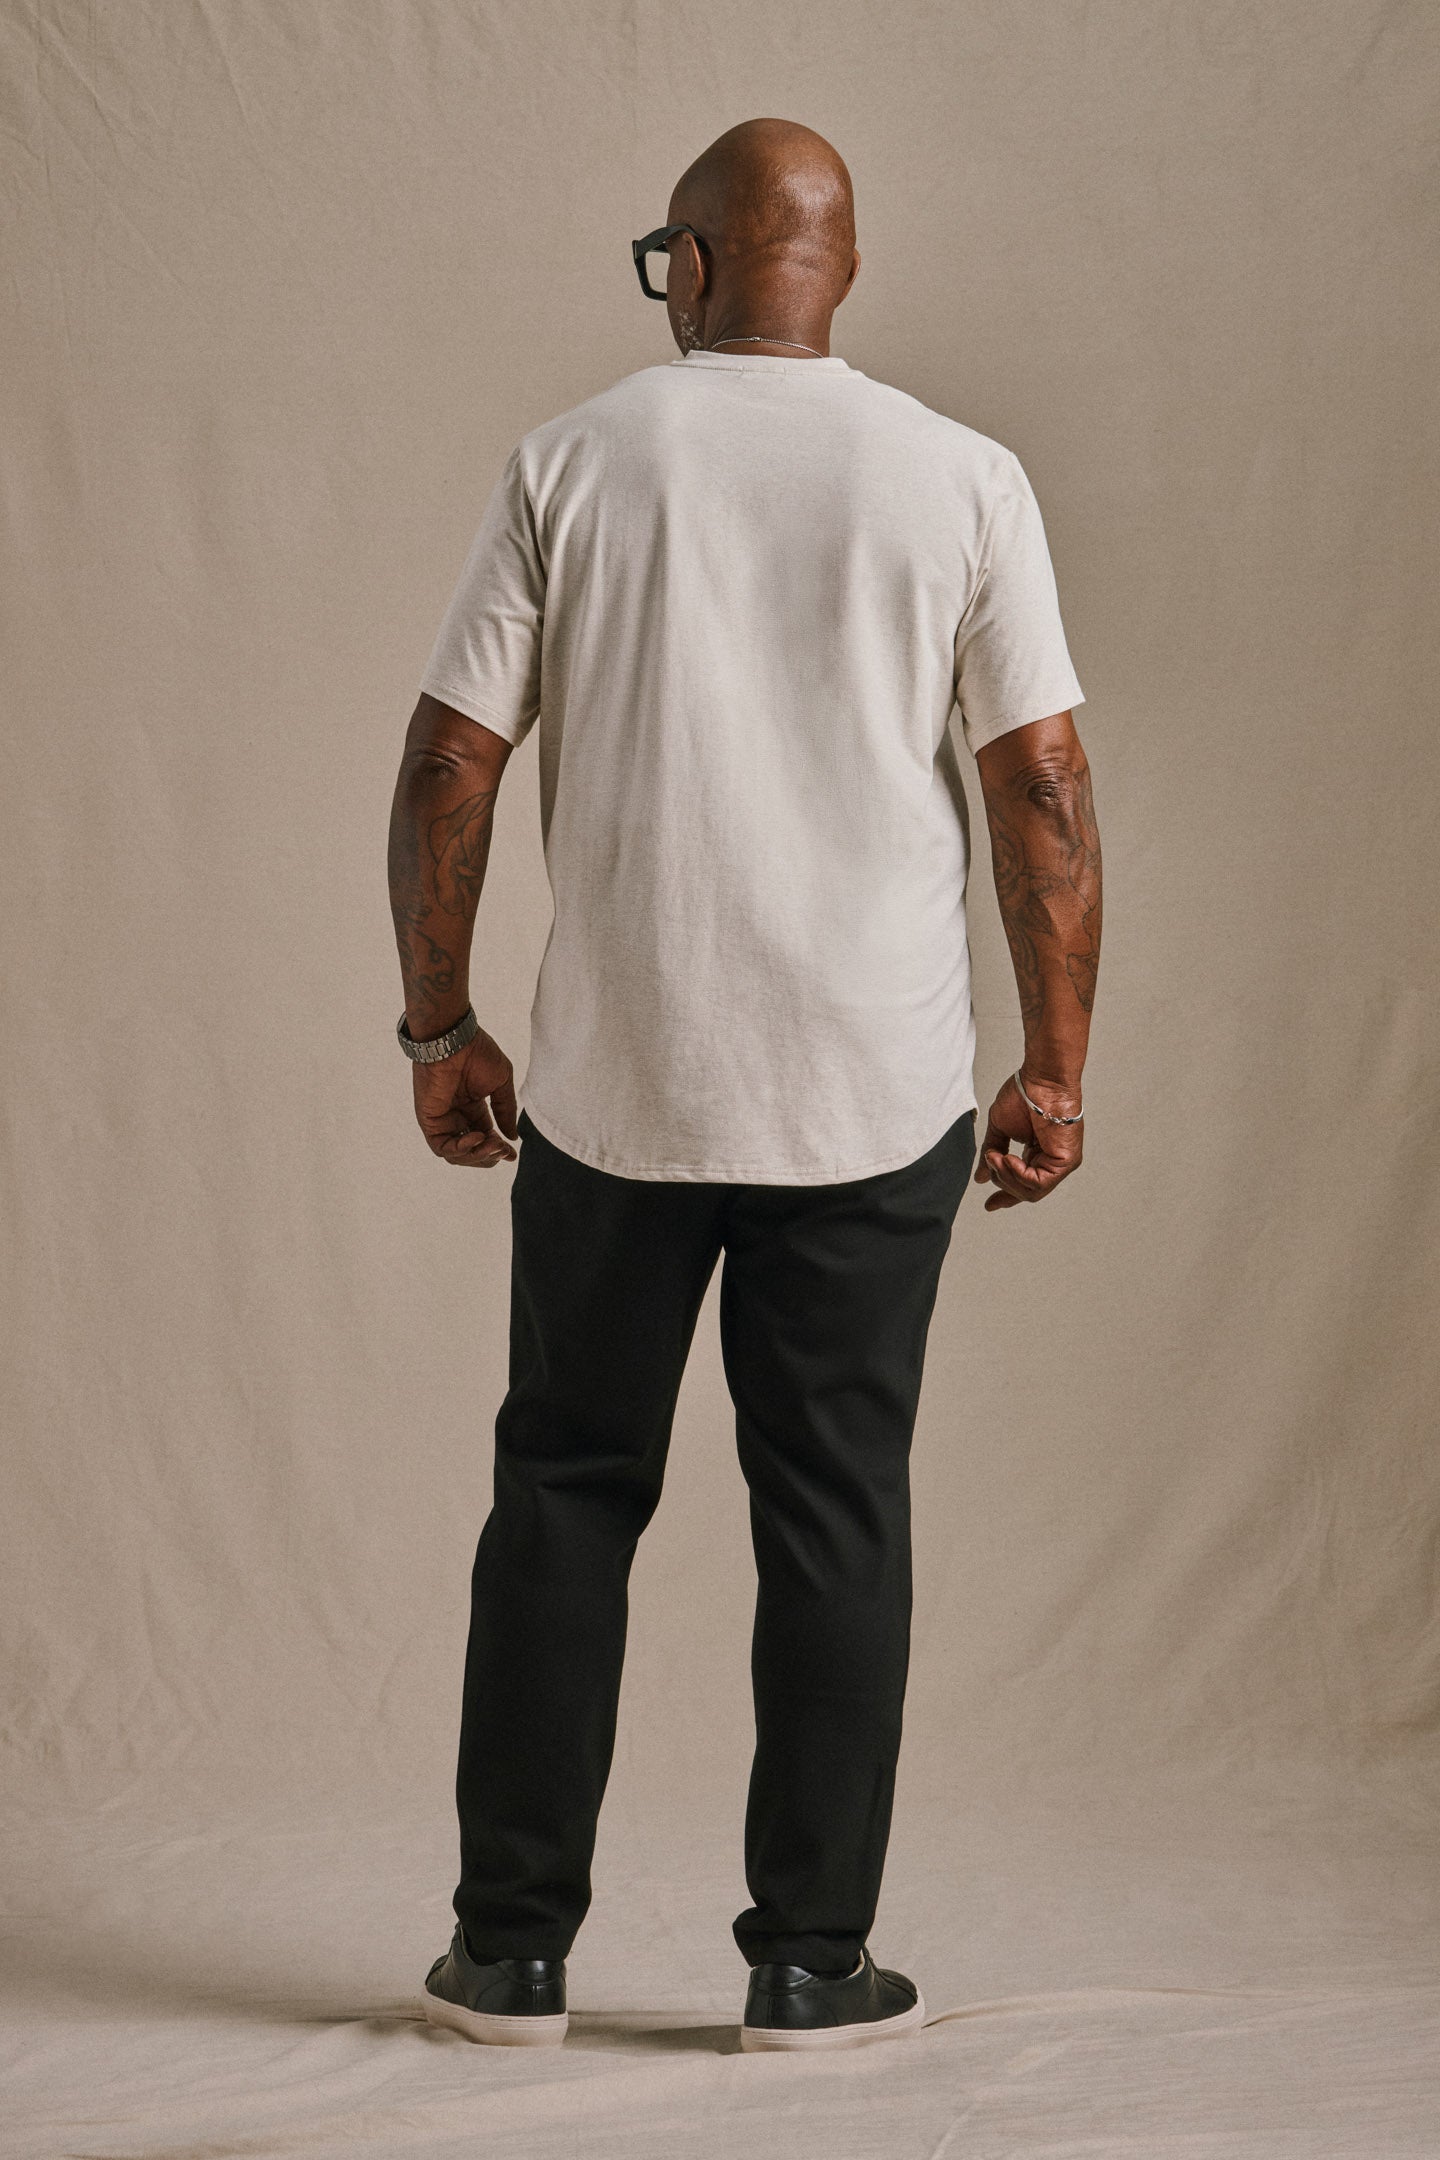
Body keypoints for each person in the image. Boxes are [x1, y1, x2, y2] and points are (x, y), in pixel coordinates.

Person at [388, 116, 1102, 2053]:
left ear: (693, 266)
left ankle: (509, 1954)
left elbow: (450, 759)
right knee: (836, 1512)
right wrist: (1055, 1068)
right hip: (871, 1091)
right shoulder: (964, 475)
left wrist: (441, 1026)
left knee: (563, 1493)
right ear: (842, 271)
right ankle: (808, 1962)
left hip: (619, 1087)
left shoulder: (574, 458)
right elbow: (1041, 783)